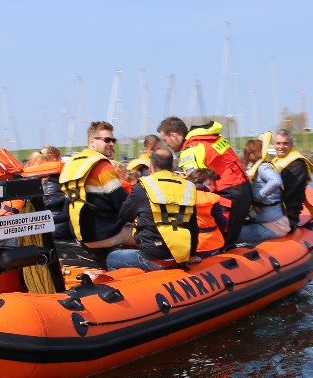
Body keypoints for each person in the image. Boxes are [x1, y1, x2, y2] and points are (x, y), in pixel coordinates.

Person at [107, 147, 227, 271]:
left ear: (151, 168)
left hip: (153, 257)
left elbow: (124, 215)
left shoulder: (141, 187)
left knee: (111, 257)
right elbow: (193, 226)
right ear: (172, 168)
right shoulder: (188, 187)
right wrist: (191, 254)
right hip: (181, 255)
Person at [157, 116, 252, 245]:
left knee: (220, 240)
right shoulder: (210, 138)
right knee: (231, 237)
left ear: (173, 135)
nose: (166, 144)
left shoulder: (190, 150)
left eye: (165, 140)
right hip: (244, 188)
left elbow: (198, 185)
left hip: (229, 195)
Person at [58, 121, 132, 257]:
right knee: (151, 240)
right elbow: (125, 205)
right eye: (107, 140)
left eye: (113, 140)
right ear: (92, 142)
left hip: (81, 237)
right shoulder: (103, 166)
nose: (111, 144)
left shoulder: (71, 165)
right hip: (107, 234)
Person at [238, 134, 291, 245]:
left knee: (234, 235)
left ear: (252, 154)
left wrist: (257, 198)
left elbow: (276, 181)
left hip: (272, 225)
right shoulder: (255, 168)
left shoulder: (262, 167)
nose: (246, 156)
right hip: (264, 221)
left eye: (247, 153)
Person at [271, 129, 313, 228]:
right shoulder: (276, 161)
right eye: (278, 143)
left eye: (285, 144)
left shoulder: (297, 166)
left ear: (291, 145)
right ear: (274, 144)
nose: (281, 147)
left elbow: (285, 195)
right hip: (271, 213)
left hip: (286, 218)